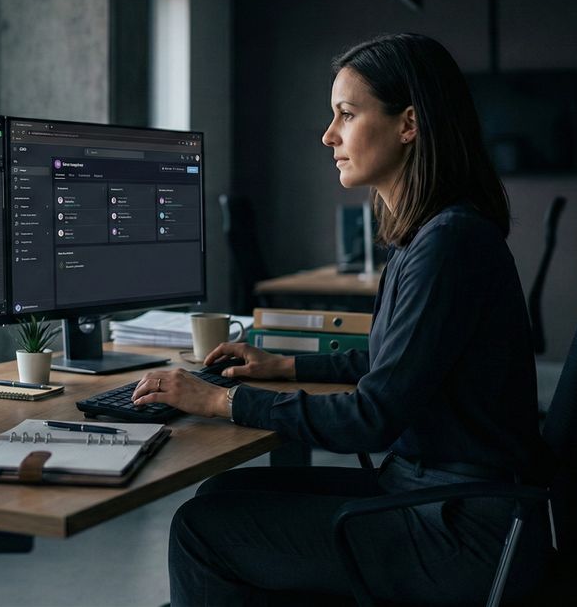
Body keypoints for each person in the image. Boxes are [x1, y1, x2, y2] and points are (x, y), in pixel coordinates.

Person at [131, 33, 553, 606]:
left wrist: (215, 401)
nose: (329, 135)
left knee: (202, 529)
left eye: (346, 115)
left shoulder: (449, 243)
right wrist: (282, 363)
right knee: (224, 492)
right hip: (436, 494)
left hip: (459, 530)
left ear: (409, 123)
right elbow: (394, 365)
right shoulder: (430, 235)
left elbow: (373, 416)